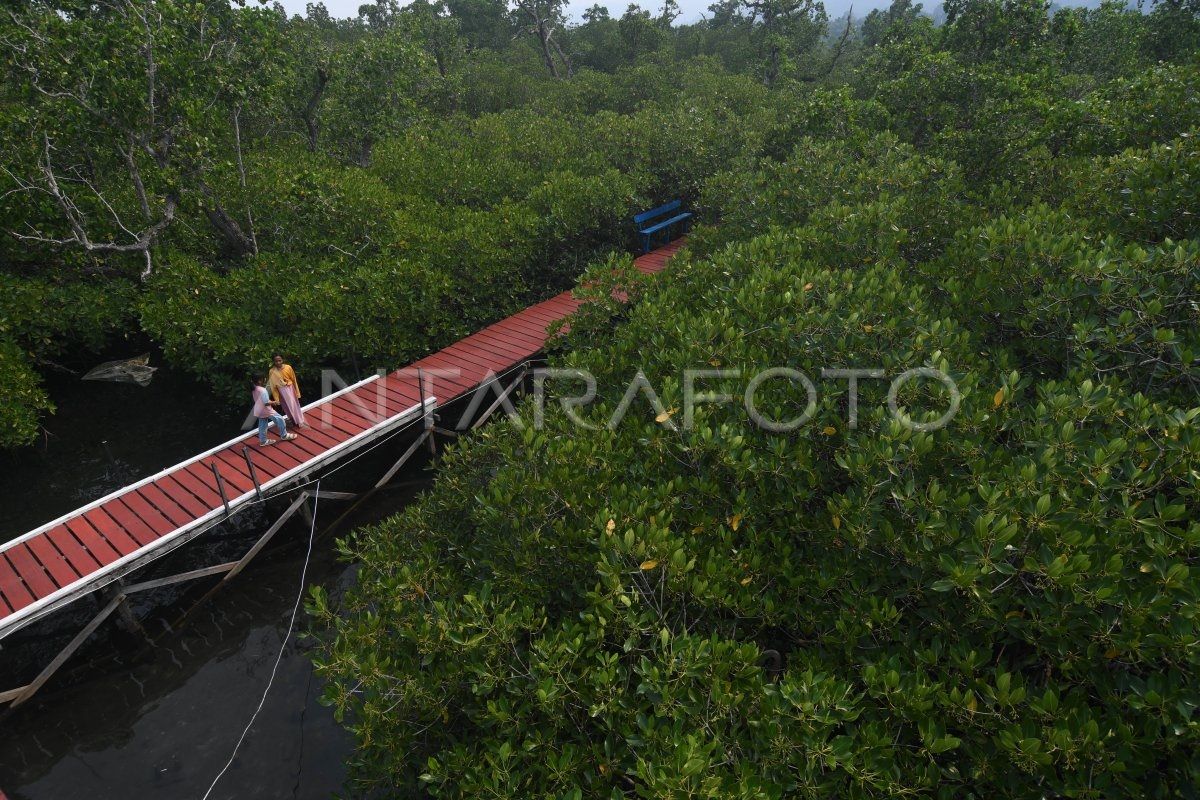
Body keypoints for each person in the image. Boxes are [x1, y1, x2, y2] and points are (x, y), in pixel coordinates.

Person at [251, 376, 296, 446]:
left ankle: (263, 441)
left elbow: (260, 400)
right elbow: (266, 402)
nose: (265, 379)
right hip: (266, 410)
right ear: (259, 381)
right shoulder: (262, 390)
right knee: (280, 419)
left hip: (259, 410)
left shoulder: (254, 388)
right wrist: (274, 402)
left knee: (262, 426)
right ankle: (284, 435)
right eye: (264, 378)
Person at [267, 353, 305, 429]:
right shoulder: (272, 371)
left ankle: (299, 420)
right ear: (273, 362)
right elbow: (273, 386)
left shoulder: (288, 367)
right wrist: (276, 398)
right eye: (276, 361)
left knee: (294, 405)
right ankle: (292, 419)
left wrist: (297, 392)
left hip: (289, 389)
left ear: (282, 360)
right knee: (286, 406)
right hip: (280, 391)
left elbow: (294, 380)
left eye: (279, 360)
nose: (278, 363)